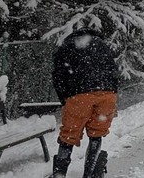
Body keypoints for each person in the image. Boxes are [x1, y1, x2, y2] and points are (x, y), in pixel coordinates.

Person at [51, 27, 120, 178]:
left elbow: (58, 76)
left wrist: (65, 99)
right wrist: (112, 92)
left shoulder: (68, 46)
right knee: (97, 133)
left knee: (69, 134)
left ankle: (60, 173)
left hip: (79, 95)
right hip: (107, 94)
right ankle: (90, 173)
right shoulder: (102, 46)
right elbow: (114, 71)